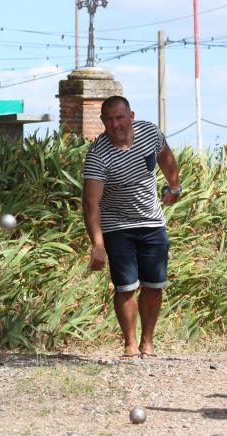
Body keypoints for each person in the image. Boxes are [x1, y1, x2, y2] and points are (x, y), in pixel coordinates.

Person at [82, 96, 182, 360]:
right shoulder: (98, 155)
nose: (115, 124)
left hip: (151, 221)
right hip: (117, 225)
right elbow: (91, 204)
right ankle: (130, 343)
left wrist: (174, 186)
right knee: (125, 286)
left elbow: (166, 156)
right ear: (102, 121)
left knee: (154, 284)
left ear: (131, 116)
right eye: (109, 119)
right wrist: (98, 244)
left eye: (120, 117)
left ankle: (148, 342)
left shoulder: (149, 133)